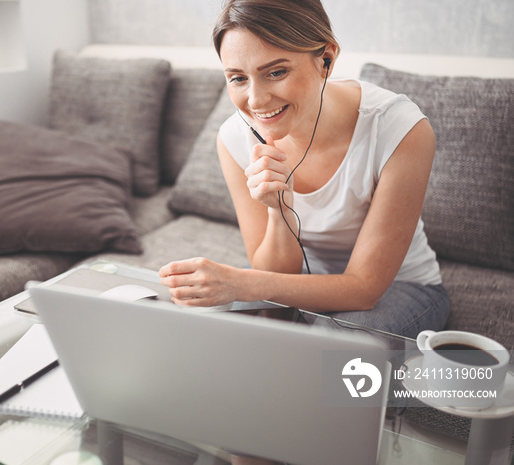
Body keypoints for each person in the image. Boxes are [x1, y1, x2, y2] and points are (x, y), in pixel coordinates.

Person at [159, 0, 450, 341]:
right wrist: (279, 210)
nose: (255, 101)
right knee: (207, 333)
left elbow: (363, 289)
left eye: (276, 72)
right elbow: (274, 279)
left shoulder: (399, 128)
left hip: (401, 287)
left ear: (326, 59)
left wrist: (238, 282)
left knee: (323, 354)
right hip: (297, 283)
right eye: (238, 78)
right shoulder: (234, 138)